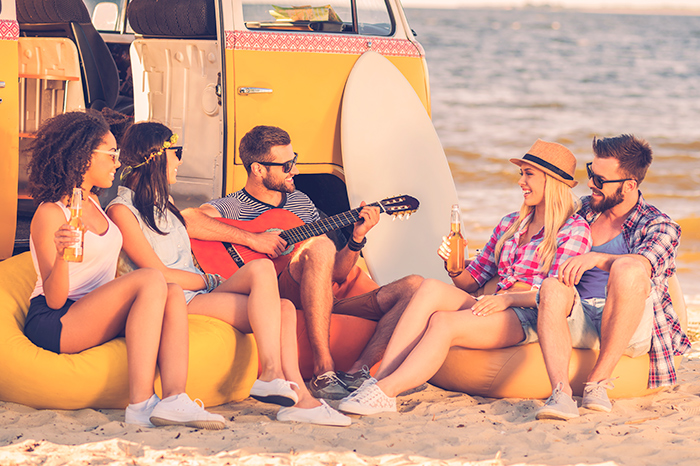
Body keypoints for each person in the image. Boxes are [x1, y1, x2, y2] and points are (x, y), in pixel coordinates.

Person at [106, 122, 350, 426]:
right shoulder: (122, 210)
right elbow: (156, 273)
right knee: (265, 278)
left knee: (283, 305)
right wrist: (210, 280)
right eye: (176, 152)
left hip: (198, 292)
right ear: (155, 157)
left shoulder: (163, 206)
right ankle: (280, 382)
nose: (180, 161)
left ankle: (293, 393)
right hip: (176, 297)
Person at [337, 140, 592, 415]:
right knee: (430, 287)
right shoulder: (510, 224)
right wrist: (454, 267)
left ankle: (389, 391)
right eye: (522, 174)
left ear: (551, 181)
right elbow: (470, 282)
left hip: (528, 315)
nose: (521, 181)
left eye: (528, 174)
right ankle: (378, 382)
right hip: (494, 304)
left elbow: (557, 294)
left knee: (443, 322)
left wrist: (507, 300)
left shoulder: (574, 230)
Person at [181, 125, 423, 400]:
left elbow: (339, 273)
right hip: (273, 290)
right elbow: (187, 218)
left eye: (294, 161)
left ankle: (358, 372)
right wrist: (253, 239)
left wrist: (356, 238)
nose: (294, 170)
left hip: (318, 293)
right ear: (259, 169)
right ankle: (323, 369)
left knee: (414, 287)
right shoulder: (234, 206)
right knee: (319, 244)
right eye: (286, 166)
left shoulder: (302, 202)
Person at [23, 111, 224, 429]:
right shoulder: (51, 213)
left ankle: (174, 399)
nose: (118, 162)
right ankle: (141, 403)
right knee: (151, 278)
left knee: (171, 292)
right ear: (84, 157)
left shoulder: (95, 205)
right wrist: (62, 254)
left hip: (93, 310)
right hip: (56, 321)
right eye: (111, 154)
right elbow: (55, 300)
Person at [535, 134, 690, 420]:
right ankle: (561, 394)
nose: (591, 184)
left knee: (628, 267)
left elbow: (645, 264)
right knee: (552, 286)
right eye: (591, 173)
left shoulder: (660, 225)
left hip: (629, 324)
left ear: (629, 185)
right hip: (579, 315)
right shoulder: (582, 210)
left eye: (601, 180)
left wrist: (596, 258)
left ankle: (597, 383)